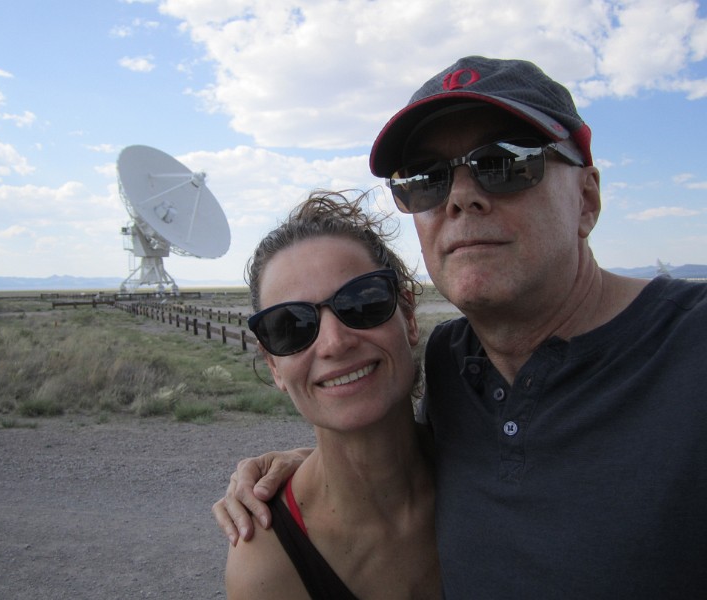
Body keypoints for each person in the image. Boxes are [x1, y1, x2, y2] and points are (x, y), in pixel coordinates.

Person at [214, 56, 707, 598]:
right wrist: (311, 466)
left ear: (586, 199)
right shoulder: (455, 363)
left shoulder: (691, 348)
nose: (460, 196)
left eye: (505, 163)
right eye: (427, 178)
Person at [223, 191, 441, 599]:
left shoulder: (492, 464)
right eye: (290, 326)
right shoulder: (268, 567)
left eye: (362, 302)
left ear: (408, 316)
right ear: (274, 366)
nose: (333, 343)